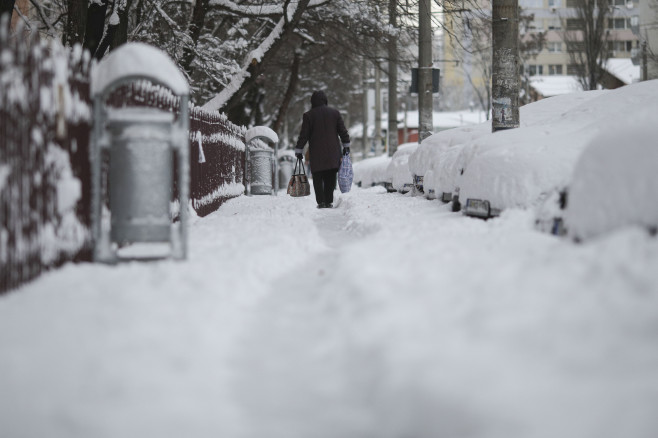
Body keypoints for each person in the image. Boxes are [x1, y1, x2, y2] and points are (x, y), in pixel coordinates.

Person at [294, 90, 350, 209]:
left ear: (312, 101)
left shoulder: (309, 115)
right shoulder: (335, 113)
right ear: (325, 100)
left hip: (317, 153)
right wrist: (346, 145)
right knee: (330, 176)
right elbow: (342, 131)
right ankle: (328, 201)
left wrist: (299, 150)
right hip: (333, 152)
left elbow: (304, 135)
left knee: (318, 177)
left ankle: (321, 202)